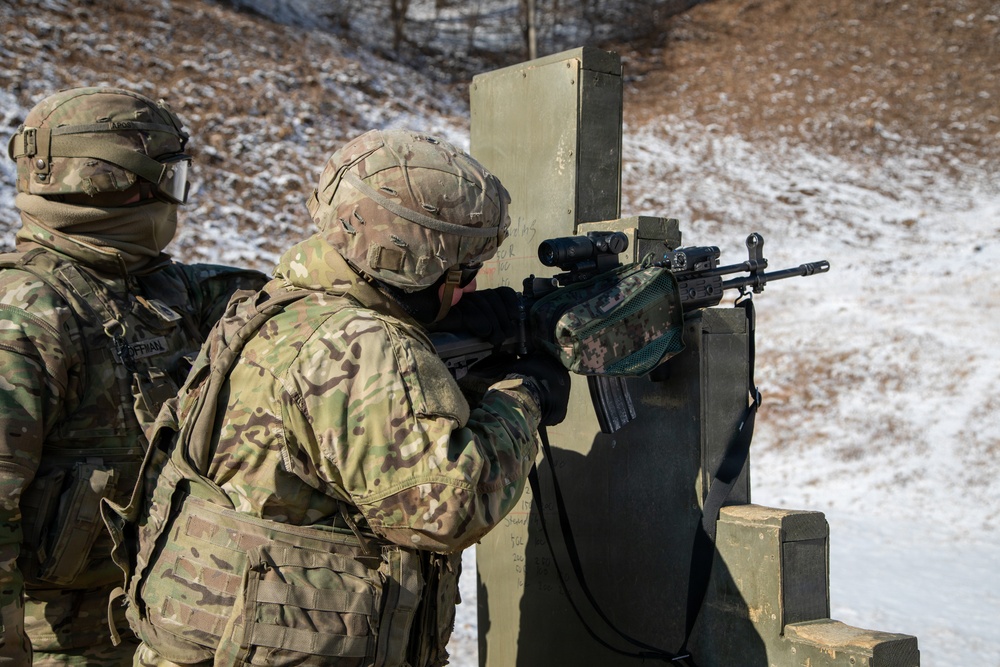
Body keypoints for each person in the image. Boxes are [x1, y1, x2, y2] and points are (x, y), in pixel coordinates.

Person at [107, 128, 571, 666]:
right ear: (413, 263)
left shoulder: (278, 305)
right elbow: (445, 509)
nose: (468, 288)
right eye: (462, 272)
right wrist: (523, 397)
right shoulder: (359, 343)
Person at [0, 86, 268, 665]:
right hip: (61, 649)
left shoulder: (160, 287)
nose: (174, 200)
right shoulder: (27, 315)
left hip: (162, 631)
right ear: (117, 181)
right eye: (169, 178)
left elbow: (293, 306)